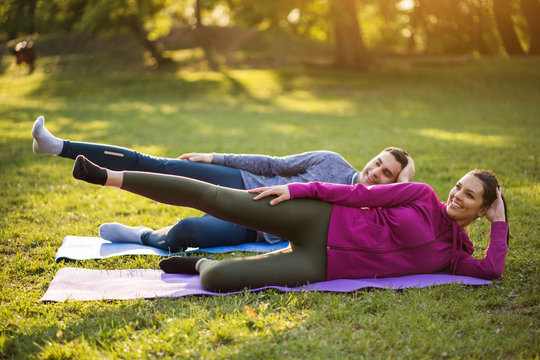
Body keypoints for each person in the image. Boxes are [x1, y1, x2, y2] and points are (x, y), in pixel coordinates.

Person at [71, 155, 509, 293]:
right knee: (217, 199)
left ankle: (199, 263)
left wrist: (501, 222)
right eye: (459, 186)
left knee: (220, 281)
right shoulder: (420, 194)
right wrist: (300, 191)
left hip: (323, 266)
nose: (456, 195)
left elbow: (492, 271)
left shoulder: (457, 257)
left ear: (481, 209)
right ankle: (107, 176)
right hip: (321, 218)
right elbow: (357, 194)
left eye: (469, 195)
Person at [32, 115, 415, 251]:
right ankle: (58, 146)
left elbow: (407, 205)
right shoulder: (331, 161)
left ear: (394, 182)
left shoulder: (370, 208)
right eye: (377, 163)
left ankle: (143, 236)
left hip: (255, 222)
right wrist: (214, 158)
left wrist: (407, 173)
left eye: (387, 174)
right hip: (243, 180)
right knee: (162, 166)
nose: (375, 173)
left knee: (183, 232)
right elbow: (271, 163)